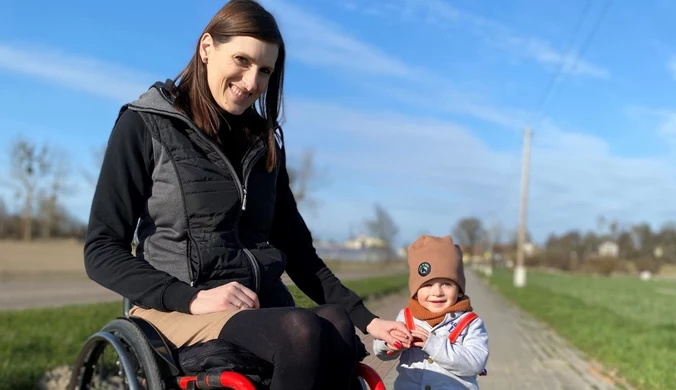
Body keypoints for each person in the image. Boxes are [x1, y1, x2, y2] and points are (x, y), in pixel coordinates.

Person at [83, 1, 410, 389]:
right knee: (301, 330)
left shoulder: (263, 143)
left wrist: (369, 320)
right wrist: (191, 298)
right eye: (242, 60)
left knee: (336, 325)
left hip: (260, 310)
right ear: (207, 47)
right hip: (176, 308)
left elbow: (300, 252)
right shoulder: (145, 125)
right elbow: (101, 250)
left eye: (265, 71)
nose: (252, 82)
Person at [373, 235, 489, 390]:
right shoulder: (406, 317)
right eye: (427, 285)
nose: (437, 292)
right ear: (415, 290)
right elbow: (380, 351)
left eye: (447, 284)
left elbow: (475, 364)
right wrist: (389, 344)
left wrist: (432, 344)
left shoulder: (471, 323)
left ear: (460, 290)